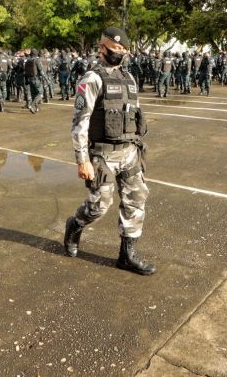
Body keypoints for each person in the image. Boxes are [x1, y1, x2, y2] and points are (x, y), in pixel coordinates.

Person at [63, 27, 155, 275]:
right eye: (116, 49)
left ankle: (127, 255)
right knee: (99, 206)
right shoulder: (91, 79)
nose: (120, 53)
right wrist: (83, 160)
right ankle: (75, 225)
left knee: (136, 200)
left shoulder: (130, 78)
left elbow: (134, 114)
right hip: (102, 155)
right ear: (102, 48)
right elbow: (80, 122)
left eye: (124, 49)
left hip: (129, 152)